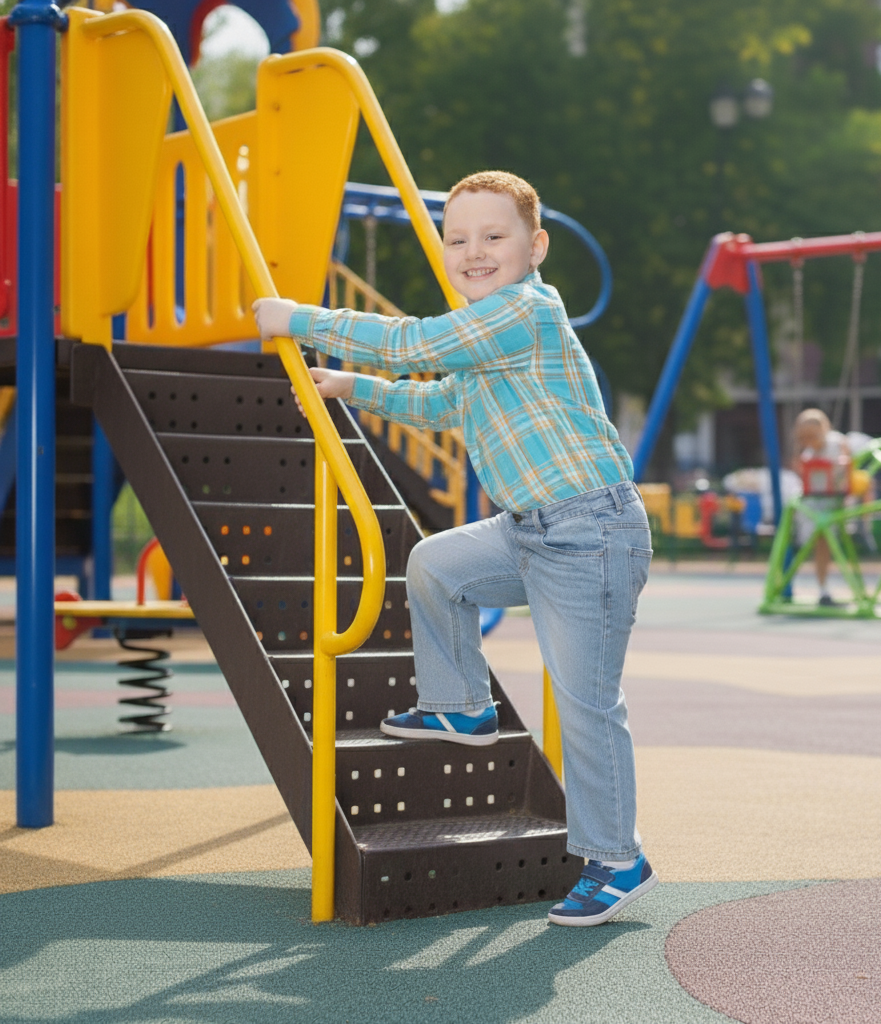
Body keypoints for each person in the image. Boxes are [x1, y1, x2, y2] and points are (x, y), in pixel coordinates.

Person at [253, 170, 657, 927]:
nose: (475, 252)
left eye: (494, 237)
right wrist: (353, 387)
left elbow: (414, 344)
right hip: (528, 529)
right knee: (436, 563)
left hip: (590, 530)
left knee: (585, 703)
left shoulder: (525, 312)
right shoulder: (485, 340)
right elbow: (442, 400)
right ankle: (461, 705)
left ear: (535, 247)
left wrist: (300, 319)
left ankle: (617, 858)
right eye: (458, 239)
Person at [792, 408, 849, 606]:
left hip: (832, 503)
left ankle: (825, 588)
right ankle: (822, 588)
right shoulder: (808, 454)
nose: (808, 441)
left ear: (824, 430)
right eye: (803, 438)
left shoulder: (836, 443)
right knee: (815, 544)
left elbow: (846, 467)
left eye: (812, 436)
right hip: (814, 505)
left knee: (826, 544)